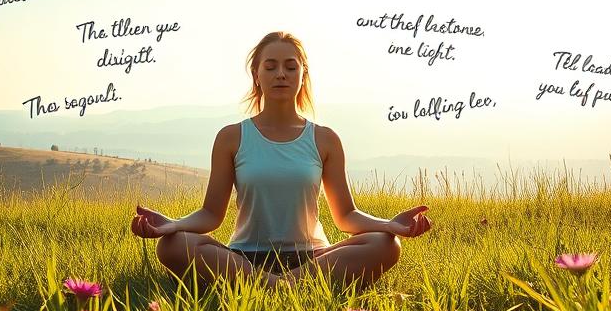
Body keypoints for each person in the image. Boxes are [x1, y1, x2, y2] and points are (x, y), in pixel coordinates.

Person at [131, 31, 432, 287]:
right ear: (257, 75)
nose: (281, 74)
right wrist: (172, 226)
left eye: (290, 67)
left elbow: (346, 217)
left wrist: (389, 225)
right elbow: (211, 214)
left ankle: (268, 289)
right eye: (271, 66)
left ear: (303, 76)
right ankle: (289, 290)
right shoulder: (231, 137)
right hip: (244, 259)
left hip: (312, 259)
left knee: (385, 245)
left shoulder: (325, 139)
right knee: (172, 246)